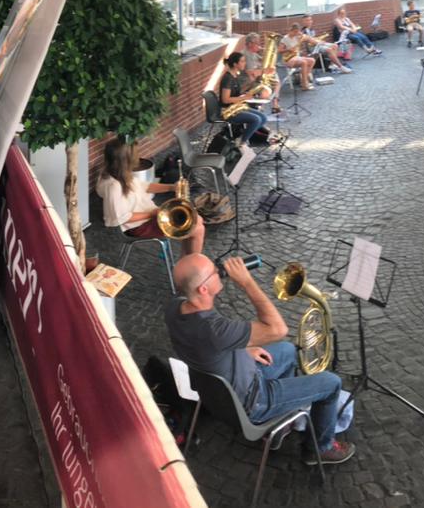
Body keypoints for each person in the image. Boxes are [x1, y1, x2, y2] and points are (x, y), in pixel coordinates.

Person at [169, 254, 355, 465]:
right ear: (203, 289)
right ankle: (320, 449)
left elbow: (206, 347)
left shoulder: (175, 308)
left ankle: (281, 422)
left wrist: (245, 349)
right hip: (254, 401)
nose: (220, 270)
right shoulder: (216, 330)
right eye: (214, 270)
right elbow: (278, 329)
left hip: (222, 388)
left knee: (287, 350)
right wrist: (247, 282)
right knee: (332, 383)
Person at [97, 138, 204, 256]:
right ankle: (192, 263)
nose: (137, 157)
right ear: (126, 159)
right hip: (136, 227)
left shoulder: (122, 174)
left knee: (196, 220)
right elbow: (121, 218)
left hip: (148, 216)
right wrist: (152, 214)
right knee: (198, 229)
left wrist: (172, 187)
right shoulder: (114, 186)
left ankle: (186, 261)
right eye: (135, 154)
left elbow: (145, 186)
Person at [217, 52, 268, 144]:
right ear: (235, 64)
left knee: (263, 118)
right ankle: (241, 142)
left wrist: (251, 88)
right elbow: (225, 99)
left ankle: (241, 137)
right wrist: (244, 97)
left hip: (236, 107)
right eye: (242, 61)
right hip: (228, 111)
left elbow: (236, 93)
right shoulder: (228, 78)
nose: (245, 63)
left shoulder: (235, 75)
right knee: (256, 119)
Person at [277, 23, 316, 90]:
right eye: (295, 32)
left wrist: (303, 36)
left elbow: (308, 39)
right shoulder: (285, 38)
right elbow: (279, 50)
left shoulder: (297, 36)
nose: (296, 33)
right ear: (291, 30)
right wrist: (289, 49)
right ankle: (304, 85)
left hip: (297, 57)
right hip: (288, 59)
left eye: (297, 32)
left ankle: (304, 79)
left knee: (312, 60)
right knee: (304, 62)